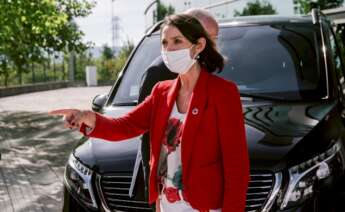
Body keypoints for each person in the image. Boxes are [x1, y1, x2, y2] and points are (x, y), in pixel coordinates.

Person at [50, 14, 250, 212]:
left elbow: (237, 167)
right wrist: (86, 116)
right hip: (166, 204)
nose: (168, 49)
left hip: (205, 207)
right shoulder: (161, 91)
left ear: (198, 46)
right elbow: (125, 126)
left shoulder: (223, 93)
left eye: (177, 41)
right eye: (164, 43)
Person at [137, 8, 219, 206]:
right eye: (209, 37)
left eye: (215, 38)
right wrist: (155, 193)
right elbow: (148, 137)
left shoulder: (205, 65)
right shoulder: (159, 73)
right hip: (170, 191)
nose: (212, 44)